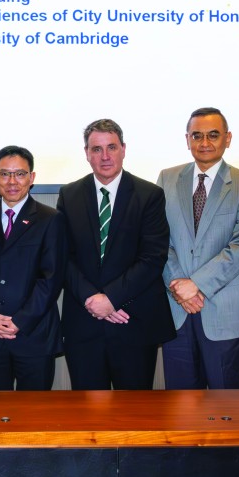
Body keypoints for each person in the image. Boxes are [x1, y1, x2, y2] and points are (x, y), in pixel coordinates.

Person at [58, 119, 172, 390]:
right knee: (89, 416)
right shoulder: (69, 194)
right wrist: (93, 299)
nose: (105, 156)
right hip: (84, 323)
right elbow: (63, 256)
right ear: (87, 153)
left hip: (133, 321)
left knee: (134, 415)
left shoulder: (150, 195)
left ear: (123, 149)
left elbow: (152, 257)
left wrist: (111, 299)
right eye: (96, 149)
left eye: (111, 147)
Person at [156, 107, 239, 390]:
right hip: (176, 308)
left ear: (227, 138)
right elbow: (158, 238)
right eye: (197, 136)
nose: (204, 143)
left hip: (223, 310)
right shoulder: (167, 178)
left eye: (213, 135)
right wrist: (179, 287)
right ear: (187, 139)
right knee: (181, 407)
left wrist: (197, 285)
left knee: (229, 408)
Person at [0, 146, 66, 391]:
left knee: (34, 417)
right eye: (4, 174)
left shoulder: (50, 218)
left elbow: (51, 279)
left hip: (34, 336)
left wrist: (20, 321)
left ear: (32, 178)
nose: (12, 181)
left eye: (20, 174)